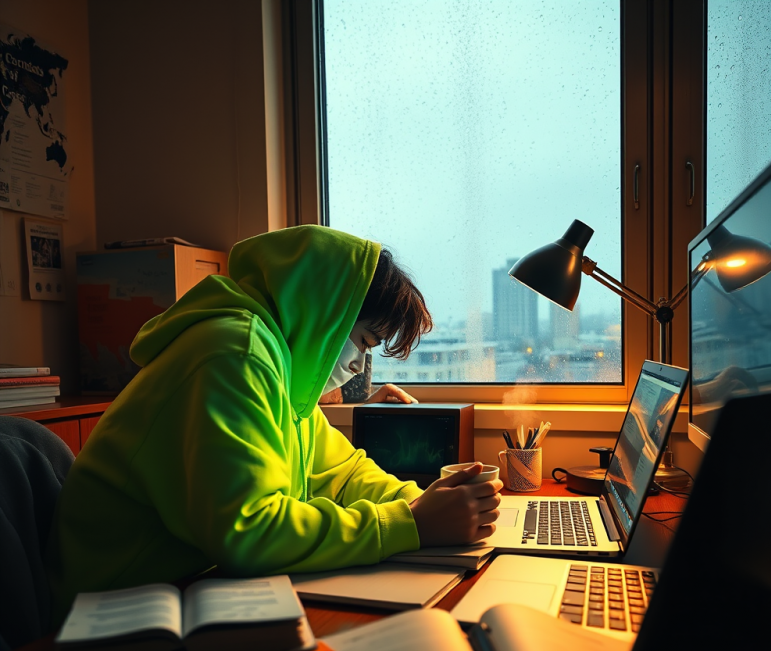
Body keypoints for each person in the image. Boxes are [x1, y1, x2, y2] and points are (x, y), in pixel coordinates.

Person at [46, 225, 503, 624]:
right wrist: (409, 524)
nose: (360, 365)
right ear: (326, 317)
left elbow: (343, 473)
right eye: (363, 342)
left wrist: (426, 502)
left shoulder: (283, 373)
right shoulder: (235, 354)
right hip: (116, 609)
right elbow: (249, 530)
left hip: (187, 586)